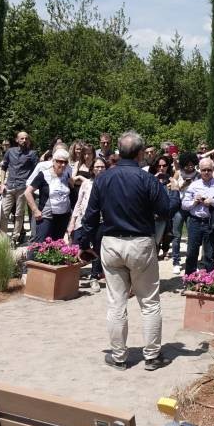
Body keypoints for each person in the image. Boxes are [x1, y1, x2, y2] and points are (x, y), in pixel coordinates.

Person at [79, 131, 179, 371]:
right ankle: (152, 356)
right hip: (140, 243)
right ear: (140, 153)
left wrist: (84, 245)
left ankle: (119, 357)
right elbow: (166, 211)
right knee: (149, 302)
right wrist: (175, 191)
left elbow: (90, 216)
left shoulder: (103, 178)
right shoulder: (148, 179)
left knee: (116, 303)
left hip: (112, 242)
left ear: (119, 151)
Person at [68, 156, 108, 293]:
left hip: (101, 221)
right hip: (84, 220)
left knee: (97, 248)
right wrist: (72, 221)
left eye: (102, 167)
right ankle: (72, 274)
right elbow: (78, 203)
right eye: (97, 167)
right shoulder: (86, 184)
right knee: (78, 246)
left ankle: (94, 276)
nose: (100, 169)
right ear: (92, 169)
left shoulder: (109, 183)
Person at [181, 157, 214, 276]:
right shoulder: (194, 185)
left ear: (213, 169)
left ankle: (209, 282)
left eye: (209, 170)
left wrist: (211, 202)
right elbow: (184, 205)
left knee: (210, 254)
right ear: (199, 170)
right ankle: (189, 280)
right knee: (191, 253)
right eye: (204, 170)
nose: (206, 172)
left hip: (211, 222)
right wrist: (194, 202)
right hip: (195, 221)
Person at [24, 148, 74, 246]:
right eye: (60, 162)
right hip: (46, 216)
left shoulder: (66, 175)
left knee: (57, 244)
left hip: (63, 216)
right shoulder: (43, 174)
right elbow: (27, 192)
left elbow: (71, 192)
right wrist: (35, 210)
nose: (63, 165)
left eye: (65, 162)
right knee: (41, 244)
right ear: (53, 161)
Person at [0, 131, 37, 243]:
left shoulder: (32, 154)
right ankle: (2, 238)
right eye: (22, 138)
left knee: (19, 214)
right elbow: (3, 167)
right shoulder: (10, 151)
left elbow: (36, 171)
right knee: (4, 212)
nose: (24, 140)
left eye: (26, 138)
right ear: (17, 140)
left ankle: (14, 238)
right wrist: (2, 184)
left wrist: (31, 186)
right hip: (9, 186)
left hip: (23, 187)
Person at [169, 152, 199, 273]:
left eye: (192, 164)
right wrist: (183, 185)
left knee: (192, 237)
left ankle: (191, 262)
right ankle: (176, 262)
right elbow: (172, 188)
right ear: (183, 164)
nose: (190, 167)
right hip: (179, 207)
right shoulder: (178, 173)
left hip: (192, 207)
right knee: (176, 235)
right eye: (187, 165)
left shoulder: (198, 175)